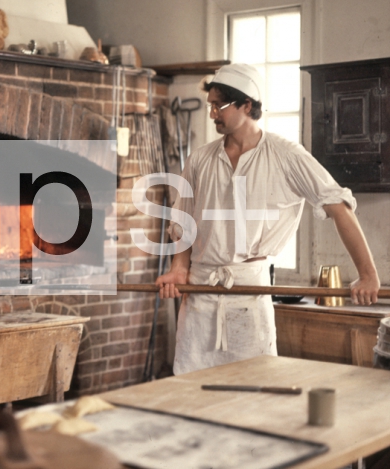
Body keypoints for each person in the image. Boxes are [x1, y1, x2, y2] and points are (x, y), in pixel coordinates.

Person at [156, 63, 380, 375]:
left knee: (253, 387)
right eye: (210, 106)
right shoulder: (200, 160)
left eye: (219, 106)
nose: (212, 114)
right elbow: (183, 223)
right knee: (191, 392)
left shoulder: (286, 155)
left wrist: (367, 274)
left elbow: (339, 206)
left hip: (250, 293)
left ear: (247, 105)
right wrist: (178, 268)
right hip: (200, 296)